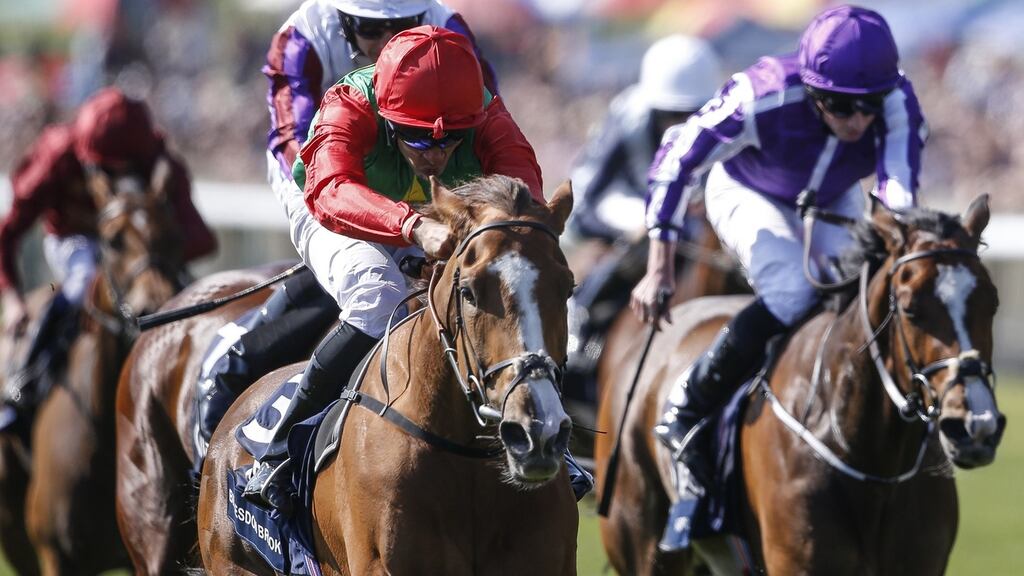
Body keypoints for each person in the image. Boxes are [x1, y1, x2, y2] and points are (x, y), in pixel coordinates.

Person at [243, 26, 592, 509]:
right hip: (338, 215)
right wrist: (411, 226)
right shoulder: (349, 103)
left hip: (436, 220)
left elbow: (522, 194)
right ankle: (278, 448)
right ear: (386, 116)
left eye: (452, 139)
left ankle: (541, 422)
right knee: (378, 295)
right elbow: (330, 191)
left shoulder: (487, 112)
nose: (437, 154)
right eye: (417, 139)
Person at [631, 5, 925, 487]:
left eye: (868, 103)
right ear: (811, 91)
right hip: (748, 187)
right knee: (793, 292)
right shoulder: (761, 92)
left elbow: (900, 200)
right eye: (840, 105)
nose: (857, 121)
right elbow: (676, 161)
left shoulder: (898, 102)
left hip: (834, 195)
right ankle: (688, 404)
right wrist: (658, 266)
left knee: (861, 295)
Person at [193, 0, 498, 460]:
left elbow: (478, 125)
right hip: (322, 173)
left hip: (420, 163)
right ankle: (272, 427)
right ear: (343, 22)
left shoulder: (449, 28)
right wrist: (390, 222)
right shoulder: (300, 39)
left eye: (403, 26)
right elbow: (301, 154)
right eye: (374, 30)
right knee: (375, 285)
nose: (389, 44)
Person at [0, 87, 217, 432]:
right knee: (83, 281)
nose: (114, 181)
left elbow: (201, 238)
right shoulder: (57, 154)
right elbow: (7, 231)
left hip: (138, 250)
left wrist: (151, 252)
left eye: (124, 171)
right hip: (74, 240)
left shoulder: (159, 160)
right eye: (105, 170)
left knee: (185, 296)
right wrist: (12, 298)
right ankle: (24, 382)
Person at [563, 35, 722, 402]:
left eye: (690, 115)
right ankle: (577, 329)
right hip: (629, 205)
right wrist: (640, 224)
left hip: (691, 212)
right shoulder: (628, 115)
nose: (680, 125)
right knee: (648, 233)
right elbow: (586, 196)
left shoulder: (723, 117)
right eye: (671, 115)